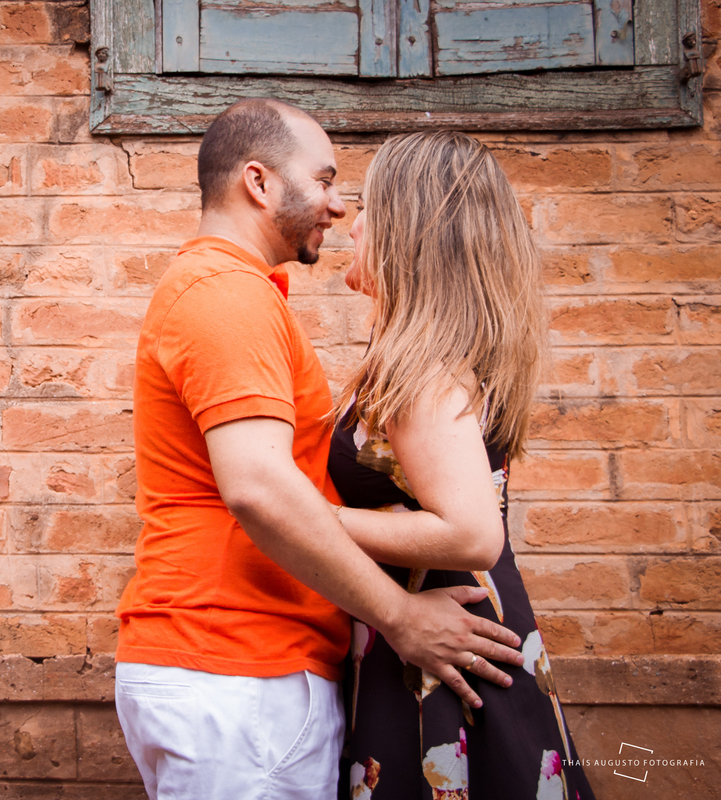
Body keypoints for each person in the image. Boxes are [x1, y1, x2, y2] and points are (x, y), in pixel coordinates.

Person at [114, 99, 525, 800]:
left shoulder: (243, 296)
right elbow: (261, 490)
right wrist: (399, 618)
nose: (339, 208)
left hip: (250, 668)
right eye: (326, 180)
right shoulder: (226, 296)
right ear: (260, 183)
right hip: (236, 667)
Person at [329, 130, 596, 799]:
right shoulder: (439, 357)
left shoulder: (421, 370)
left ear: (408, 229)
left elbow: (473, 532)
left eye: (369, 206)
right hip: (446, 637)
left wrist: (312, 519)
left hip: (442, 654)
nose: (352, 223)